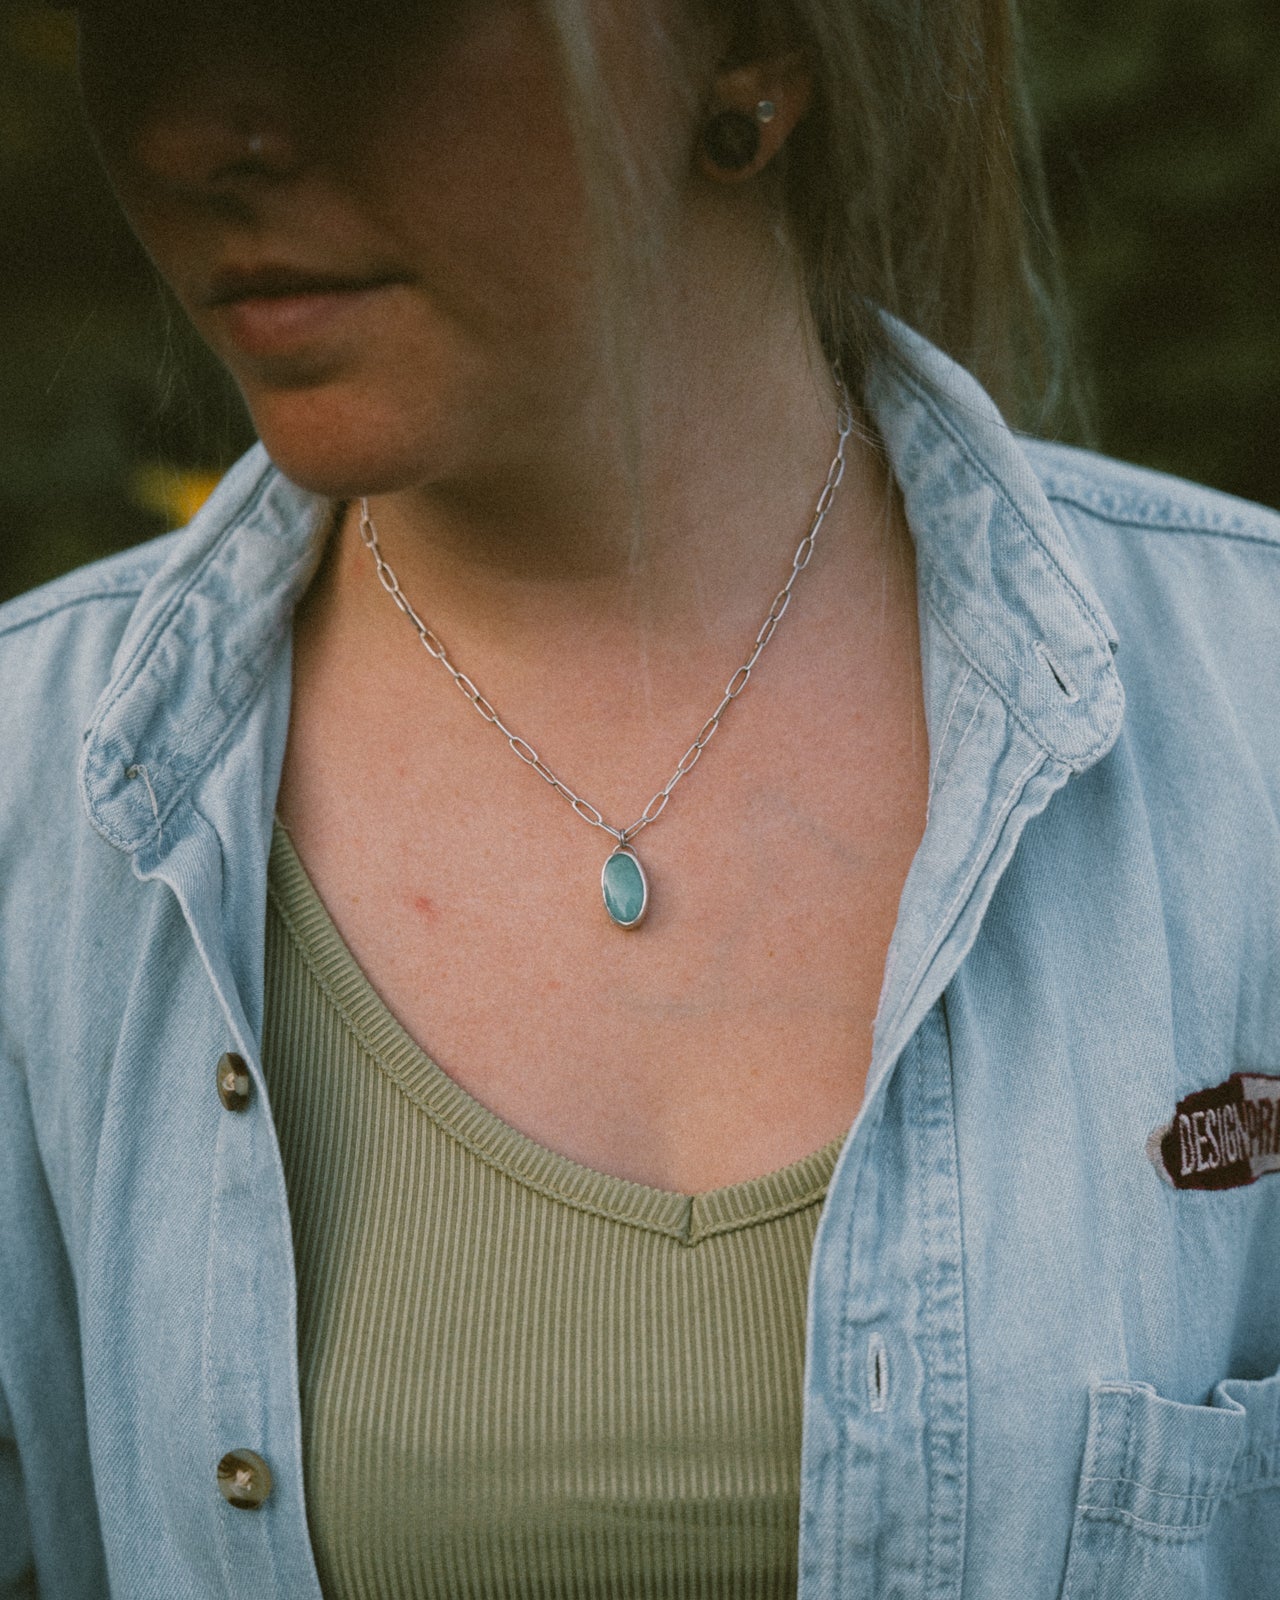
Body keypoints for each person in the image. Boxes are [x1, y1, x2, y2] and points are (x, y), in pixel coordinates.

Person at [2, 0, 1278, 1595]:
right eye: (140, 32)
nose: (208, 137)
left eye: (352, 29)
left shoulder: (1248, 729)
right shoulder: (36, 805)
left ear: (752, 51)